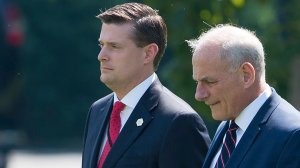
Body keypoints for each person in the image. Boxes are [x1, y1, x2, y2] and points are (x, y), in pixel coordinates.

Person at [81, 2, 211, 168]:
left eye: (114, 46)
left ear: (148, 53)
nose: (101, 55)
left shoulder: (180, 122)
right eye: (102, 45)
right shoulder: (97, 111)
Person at [187, 24, 300, 168]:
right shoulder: (227, 127)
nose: (199, 95)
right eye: (198, 81)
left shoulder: (292, 136)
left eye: (209, 81)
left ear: (246, 75)